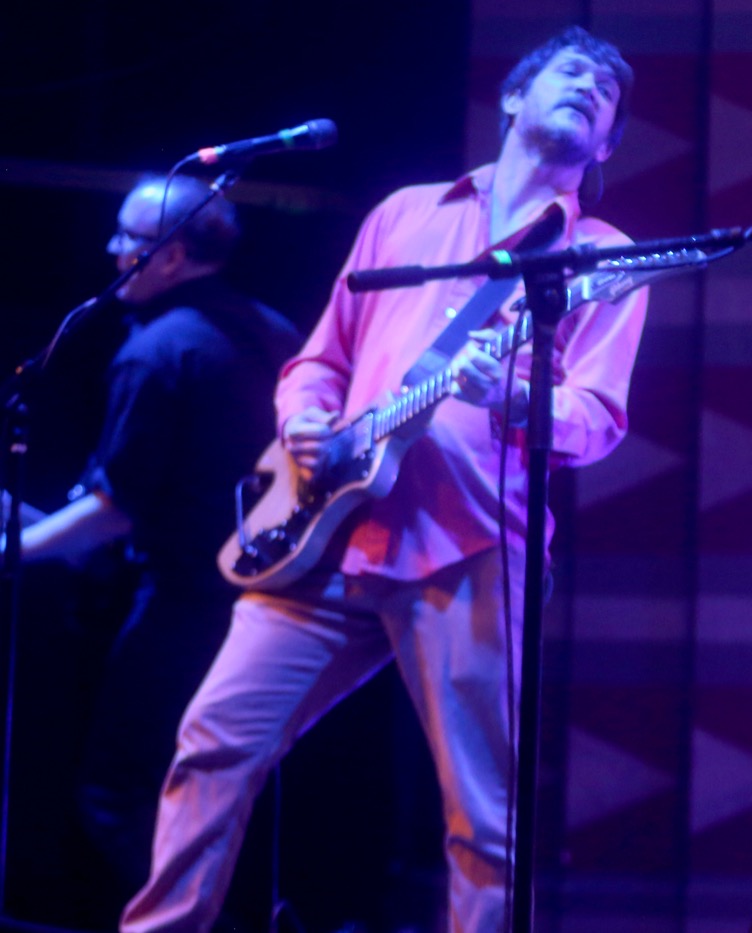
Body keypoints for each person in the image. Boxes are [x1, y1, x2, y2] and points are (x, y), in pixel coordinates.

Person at [120, 26, 646, 933]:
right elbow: (319, 361)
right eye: (571, 72)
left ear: (605, 149)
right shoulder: (403, 214)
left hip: (471, 551)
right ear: (512, 98)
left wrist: (511, 395)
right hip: (324, 536)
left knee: (485, 818)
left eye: (607, 96)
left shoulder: (600, 255)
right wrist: (303, 419)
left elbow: (596, 418)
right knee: (211, 747)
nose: (589, 88)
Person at [14, 174, 300, 922]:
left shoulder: (157, 351)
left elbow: (117, 512)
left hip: (180, 607)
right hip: (272, 607)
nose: (114, 251)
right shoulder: (274, 332)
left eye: (128, 239)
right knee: (225, 792)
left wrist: (18, 546)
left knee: (118, 790)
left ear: (171, 257)